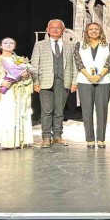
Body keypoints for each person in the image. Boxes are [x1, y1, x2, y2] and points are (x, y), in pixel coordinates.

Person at [30, 19, 77, 148]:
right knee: (46, 111)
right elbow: (34, 64)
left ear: (63, 30)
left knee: (59, 111)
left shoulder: (71, 45)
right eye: (52, 28)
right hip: (45, 81)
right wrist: (35, 82)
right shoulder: (40, 45)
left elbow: (75, 65)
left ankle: (57, 136)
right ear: (47, 30)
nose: (55, 30)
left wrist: (74, 82)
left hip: (63, 81)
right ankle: (46, 137)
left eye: (58, 28)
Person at [0, 37, 35, 149]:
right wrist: (2, 82)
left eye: (11, 43)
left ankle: (16, 141)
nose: (8, 44)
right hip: (3, 93)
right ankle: (5, 141)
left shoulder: (20, 60)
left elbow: (28, 79)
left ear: (15, 46)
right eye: (5, 43)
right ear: (0, 46)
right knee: (5, 116)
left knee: (16, 114)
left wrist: (26, 76)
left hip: (17, 92)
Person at [74, 23, 110, 149]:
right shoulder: (80, 45)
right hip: (84, 80)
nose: (94, 31)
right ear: (86, 31)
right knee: (87, 111)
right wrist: (88, 75)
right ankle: (90, 139)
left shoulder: (108, 45)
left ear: (100, 31)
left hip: (103, 80)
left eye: (96, 29)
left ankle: (101, 139)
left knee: (102, 111)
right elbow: (78, 62)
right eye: (91, 29)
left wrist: (99, 75)